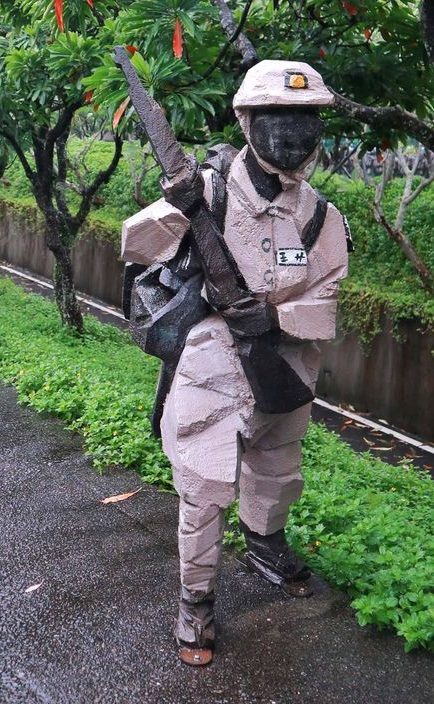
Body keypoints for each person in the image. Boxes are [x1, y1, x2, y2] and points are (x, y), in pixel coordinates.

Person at [121, 60, 350, 666]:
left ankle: (265, 541)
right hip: (211, 359)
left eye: (307, 120)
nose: (294, 133)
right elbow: (133, 246)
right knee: (203, 485)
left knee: (277, 467)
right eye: (280, 118)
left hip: (284, 360)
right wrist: (173, 208)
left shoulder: (321, 214)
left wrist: (273, 322)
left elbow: (326, 304)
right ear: (247, 120)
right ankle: (195, 600)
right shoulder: (209, 188)